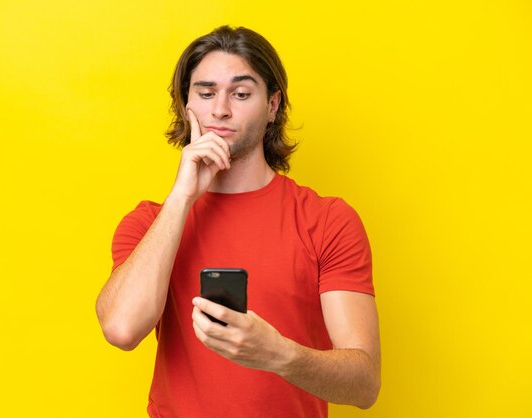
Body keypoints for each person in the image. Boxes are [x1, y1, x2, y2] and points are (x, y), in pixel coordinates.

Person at [96, 25, 381, 417]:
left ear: (272, 105)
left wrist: (280, 355)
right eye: (206, 93)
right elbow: (122, 329)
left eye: (241, 93)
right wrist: (182, 197)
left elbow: (364, 384)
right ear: (185, 106)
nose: (220, 109)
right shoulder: (149, 223)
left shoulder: (327, 221)